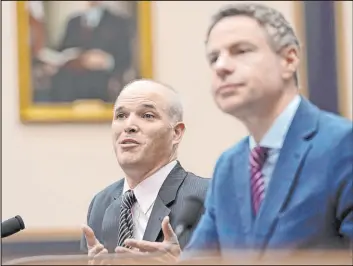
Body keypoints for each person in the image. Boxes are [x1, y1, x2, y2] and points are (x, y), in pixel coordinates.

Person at [118, 2, 353, 262]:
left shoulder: (343, 145)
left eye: (241, 51)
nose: (221, 67)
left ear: (289, 59)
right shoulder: (229, 166)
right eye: (214, 58)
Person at [80, 79, 209, 259]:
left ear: (176, 133)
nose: (129, 126)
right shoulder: (101, 204)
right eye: (121, 116)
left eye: (147, 115)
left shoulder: (207, 197)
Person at [48, 1, 134, 102]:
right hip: (71, 89)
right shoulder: (73, 22)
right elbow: (62, 51)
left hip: (103, 87)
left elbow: (126, 59)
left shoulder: (118, 22)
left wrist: (106, 61)